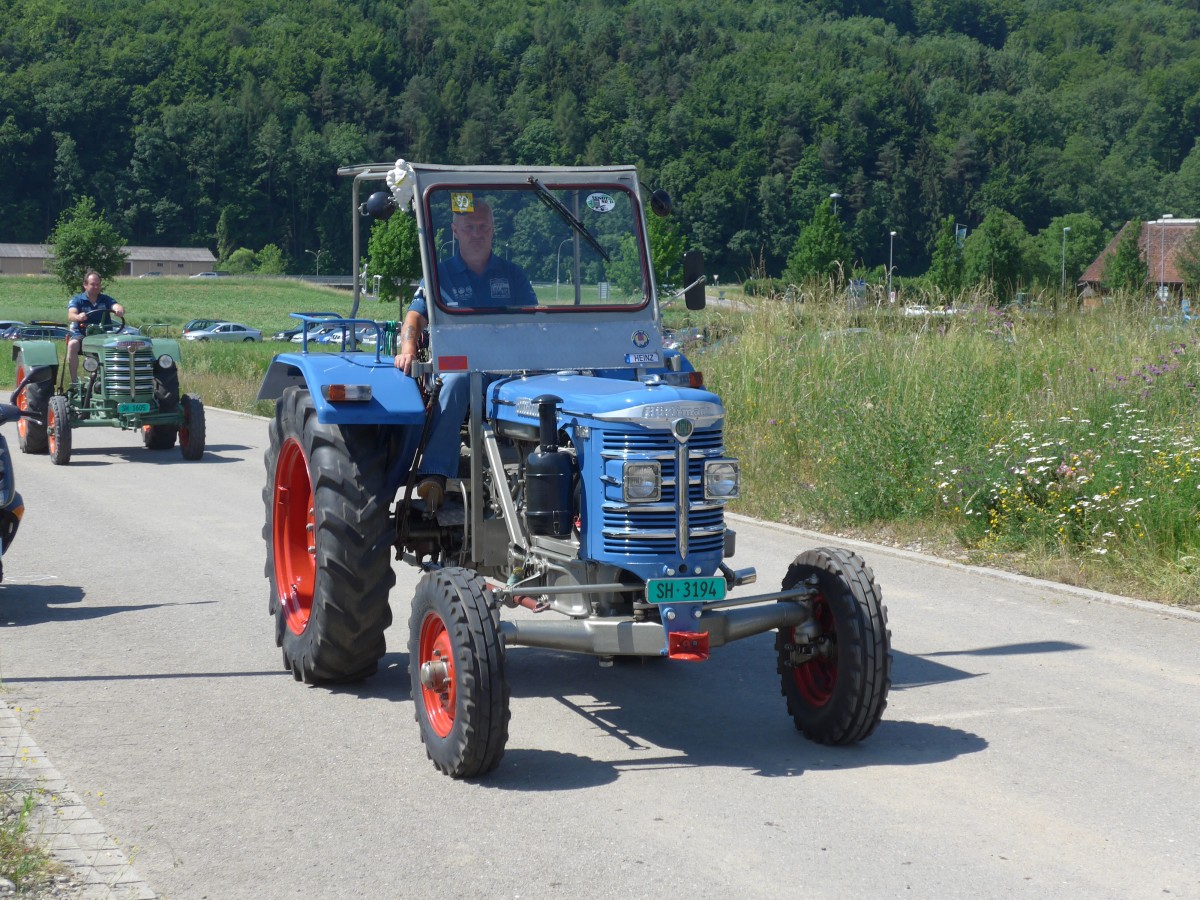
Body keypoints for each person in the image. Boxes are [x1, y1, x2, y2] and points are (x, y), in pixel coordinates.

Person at [394, 201, 536, 511]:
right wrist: (407, 349)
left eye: (483, 227)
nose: (477, 234)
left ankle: (542, 472)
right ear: (456, 231)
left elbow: (535, 320)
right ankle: (434, 474)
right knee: (458, 381)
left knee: (544, 387)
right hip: (459, 367)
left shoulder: (512, 275)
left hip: (507, 369)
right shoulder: (439, 275)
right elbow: (415, 318)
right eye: (469, 228)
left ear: (493, 231)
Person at [67, 270, 125, 381]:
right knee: (72, 345)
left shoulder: (106, 299)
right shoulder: (78, 300)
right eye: (92, 284)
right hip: (83, 336)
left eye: (98, 284)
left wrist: (119, 310)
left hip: (105, 336)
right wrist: (78, 317)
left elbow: (116, 306)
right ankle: (74, 382)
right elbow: (71, 314)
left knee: (122, 344)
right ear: (85, 285)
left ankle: (117, 379)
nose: (95, 287)